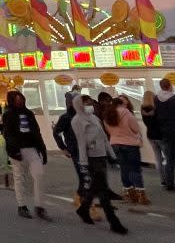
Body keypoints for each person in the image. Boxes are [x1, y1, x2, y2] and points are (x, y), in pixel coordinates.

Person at [72, 94, 127, 234]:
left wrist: (111, 154)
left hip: (101, 155)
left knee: (96, 187)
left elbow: (103, 137)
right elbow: (81, 141)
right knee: (102, 189)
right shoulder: (77, 120)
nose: (89, 105)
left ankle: (84, 209)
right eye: (86, 103)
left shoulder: (94, 118)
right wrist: (83, 161)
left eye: (90, 102)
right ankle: (113, 221)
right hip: (91, 158)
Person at [2, 89, 50, 220]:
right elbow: (8, 134)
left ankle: (39, 205)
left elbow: (37, 131)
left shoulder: (29, 114)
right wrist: (14, 150)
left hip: (32, 148)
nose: (20, 102)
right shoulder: (8, 115)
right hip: (17, 150)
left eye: (21, 99)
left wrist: (42, 149)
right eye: (17, 100)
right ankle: (22, 205)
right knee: (19, 177)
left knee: (39, 174)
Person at [104, 96, 148, 205]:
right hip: (130, 144)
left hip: (115, 143)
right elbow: (136, 129)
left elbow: (108, 131)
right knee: (135, 169)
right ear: (121, 104)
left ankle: (129, 193)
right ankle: (140, 194)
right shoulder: (127, 114)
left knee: (124, 169)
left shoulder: (108, 115)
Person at [53, 91, 86, 208]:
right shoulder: (66, 118)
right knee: (84, 176)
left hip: (87, 149)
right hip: (75, 150)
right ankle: (84, 202)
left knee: (87, 176)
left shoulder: (84, 115)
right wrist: (63, 148)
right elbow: (56, 132)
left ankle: (79, 197)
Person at [140, 91, 165, 187]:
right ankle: (169, 178)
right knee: (167, 157)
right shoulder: (157, 108)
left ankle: (162, 180)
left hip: (150, 135)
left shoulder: (142, 108)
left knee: (158, 158)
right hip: (160, 135)